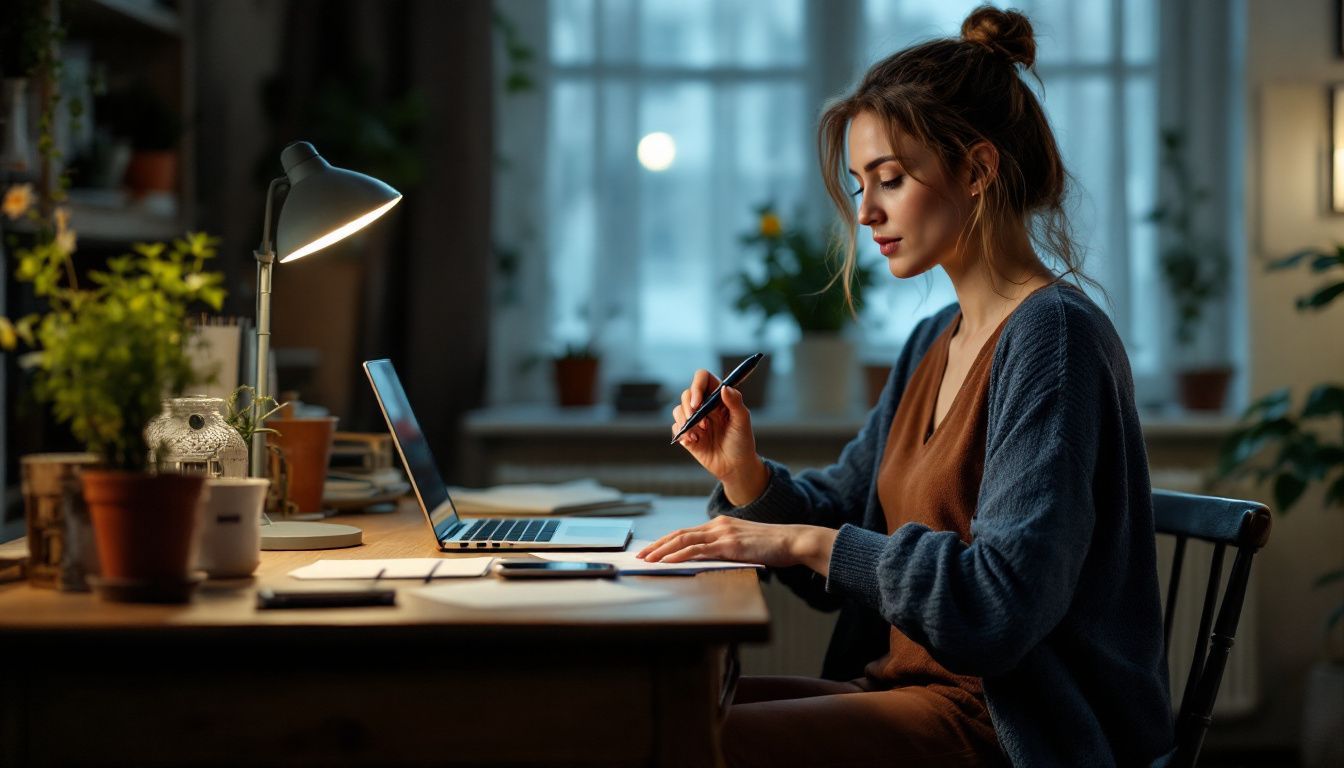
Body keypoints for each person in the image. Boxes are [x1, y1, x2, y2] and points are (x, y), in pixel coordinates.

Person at [638, 6, 1174, 767]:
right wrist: (745, 476)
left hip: (1013, 730)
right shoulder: (934, 340)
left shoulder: (1055, 339)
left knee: (683, 741)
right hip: (913, 696)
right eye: (860, 184)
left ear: (979, 170)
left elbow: (997, 606)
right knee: (645, 713)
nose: (866, 213)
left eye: (889, 180)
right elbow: (851, 525)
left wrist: (797, 539)